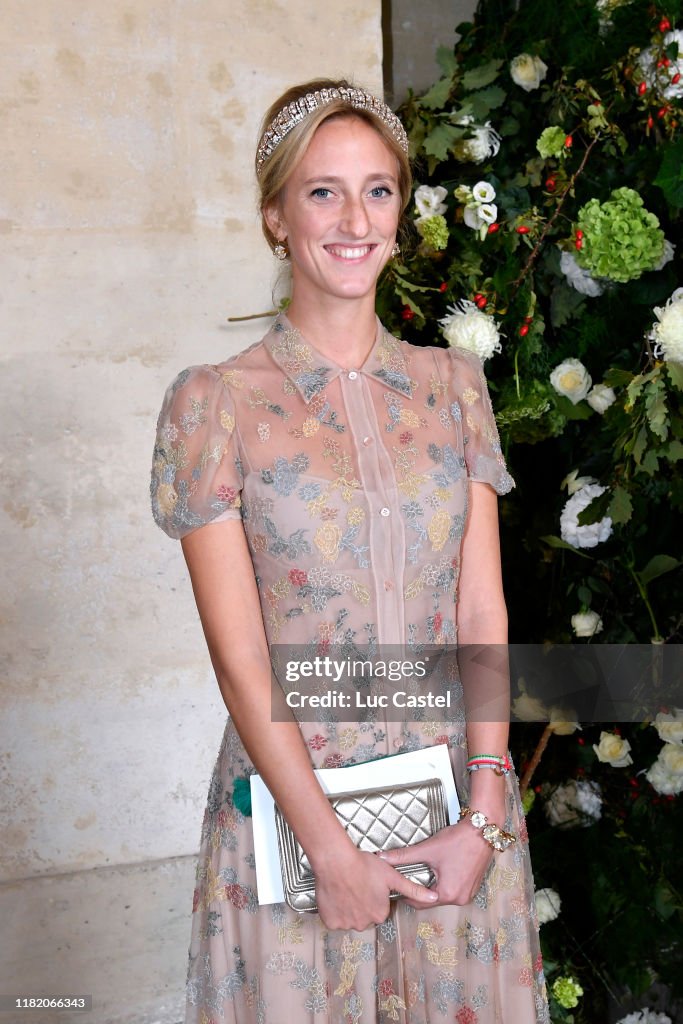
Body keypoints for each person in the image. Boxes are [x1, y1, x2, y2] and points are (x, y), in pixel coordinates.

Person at [151, 79, 549, 1024]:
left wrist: (484, 818)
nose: (353, 218)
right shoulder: (216, 403)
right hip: (294, 815)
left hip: (456, 809)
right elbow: (239, 655)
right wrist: (327, 851)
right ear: (275, 218)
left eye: (377, 190)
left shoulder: (453, 387)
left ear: (399, 214)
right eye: (322, 191)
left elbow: (481, 612)